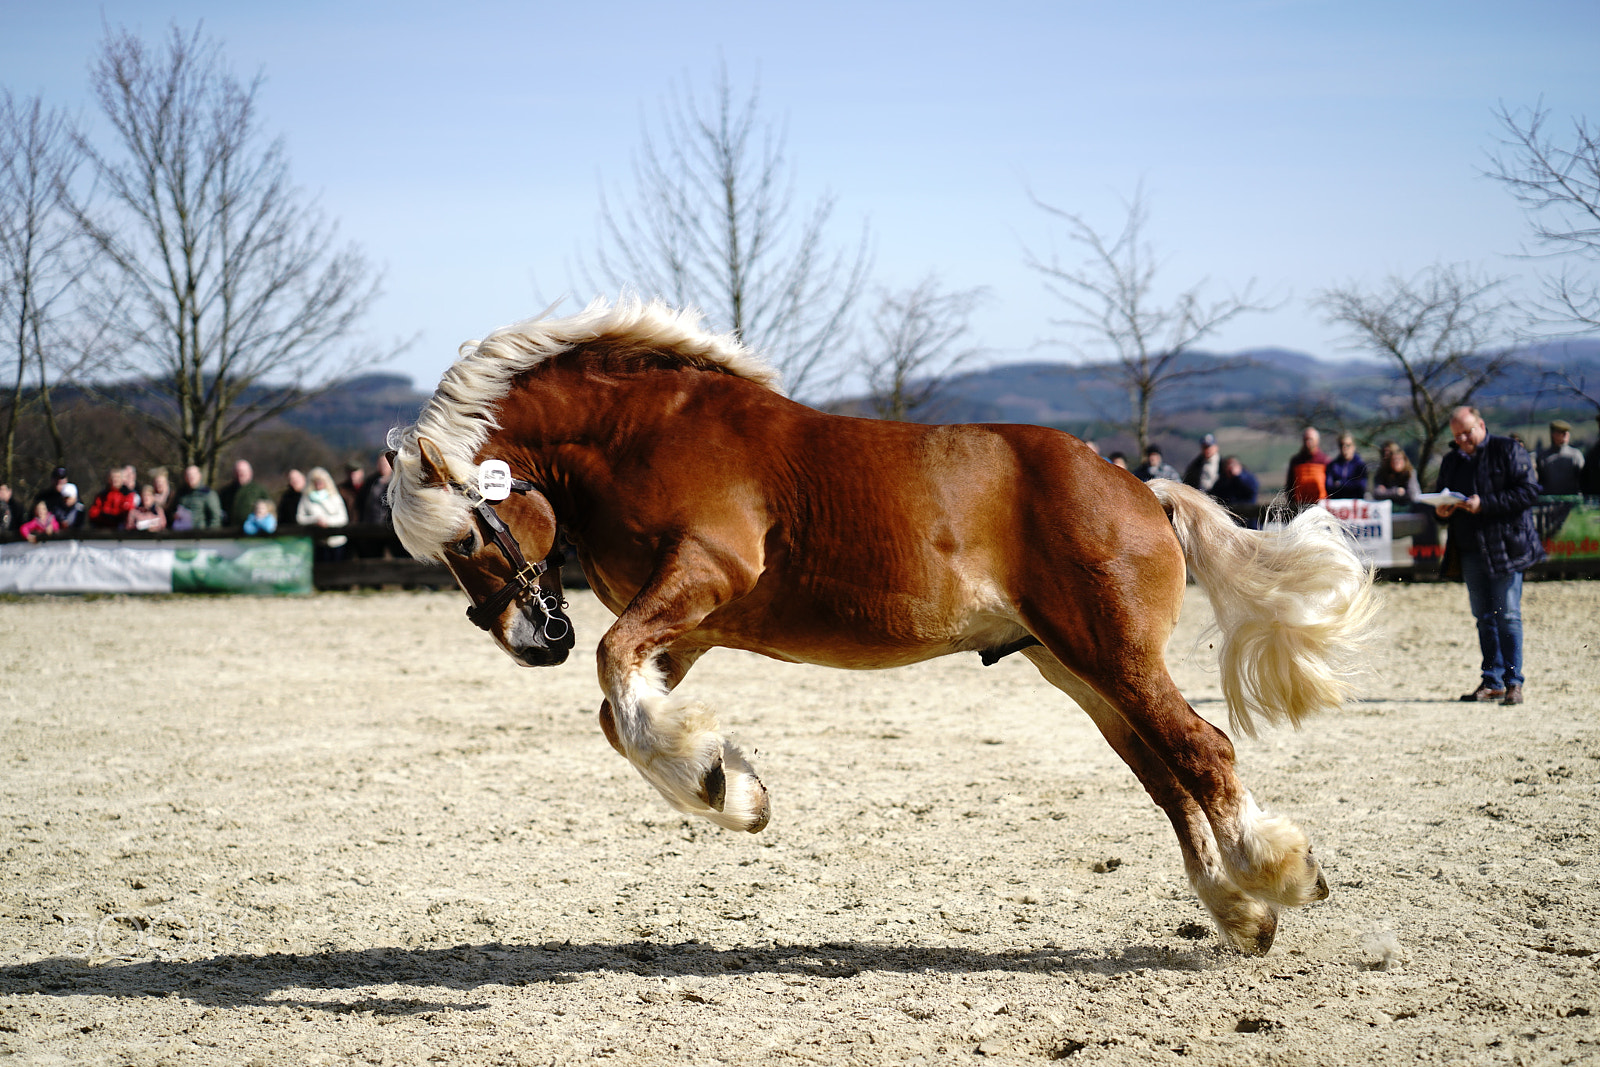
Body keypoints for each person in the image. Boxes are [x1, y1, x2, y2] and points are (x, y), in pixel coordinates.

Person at [1434, 406, 1542, 706]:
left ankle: (1513, 683)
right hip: (1469, 549)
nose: (1464, 439)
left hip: (1507, 547)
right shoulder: (1452, 460)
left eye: (1468, 432)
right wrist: (1442, 511)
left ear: (1481, 424)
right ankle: (1492, 680)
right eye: (1458, 436)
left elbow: (1529, 492)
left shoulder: (1508, 449)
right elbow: (1442, 495)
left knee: (1508, 616)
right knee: (1483, 618)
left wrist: (1487, 504)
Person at [297, 466, 349, 560]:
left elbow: (343, 518)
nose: (318, 484)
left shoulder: (334, 496)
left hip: (336, 541)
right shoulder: (307, 497)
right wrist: (315, 520)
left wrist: (327, 522)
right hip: (317, 541)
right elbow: (300, 518)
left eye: (321, 481)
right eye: (315, 481)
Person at [1536, 420, 1585, 495]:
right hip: (1550, 501)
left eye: (1566, 433)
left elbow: (1584, 479)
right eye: (1561, 432)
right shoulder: (1544, 457)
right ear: (1553, 434)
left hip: (1572, 501)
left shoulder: (1575, 455)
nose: (1565, 435)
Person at [219, 459, 274, 526]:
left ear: (250, 473)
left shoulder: (259, 490)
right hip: (230, 530)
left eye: (243, 472)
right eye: (237, 472)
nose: (240, 474)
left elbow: (270, 509)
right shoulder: (225, 492)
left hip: (253, 531)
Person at [1284, 427, 1330, 505]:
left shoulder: (1325, 460)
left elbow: (1329, 486)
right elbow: (1290, 485)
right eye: (1306, 439)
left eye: (1310, 439)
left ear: (1317, 441)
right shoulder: (1296, 461)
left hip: (1321, 505)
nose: (1308, 442)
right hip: (1299, 504)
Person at [170, 465, 223, 530]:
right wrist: (174, 516)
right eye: (188, 476)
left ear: (199, 476)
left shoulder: (208, 494)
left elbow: (215, 518)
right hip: (182, 533)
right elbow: (172, 511)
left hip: (200, 534)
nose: (190, 478)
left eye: (193, 476)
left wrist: (210, 535)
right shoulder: (180, 493)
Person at [1325, 433, 1368, 499]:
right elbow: (1329, 487)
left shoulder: (1360, 466)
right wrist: (1351, 485)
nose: (1344, 448)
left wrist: (1341, 483)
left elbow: (1361, 486)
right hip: (1337, 503)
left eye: (1348, 445)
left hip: (1355, 503)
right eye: (1342, 445)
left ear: (1354, 447)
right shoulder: (1333, 466)